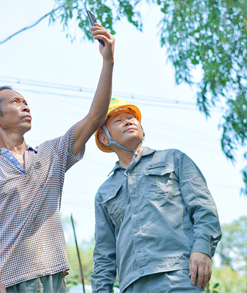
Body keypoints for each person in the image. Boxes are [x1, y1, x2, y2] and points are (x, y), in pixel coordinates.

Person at [0, 23, 115, 293]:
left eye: (26, 101)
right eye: (15, 102)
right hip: (5, 282)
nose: (25, 105)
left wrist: (108, 61)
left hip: (54, 279)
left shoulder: (52, 153)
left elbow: (95, 117)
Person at [91, 98, 222, 293]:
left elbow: (204, 208)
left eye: (132, 117)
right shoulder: (104, 192)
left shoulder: (174, 159)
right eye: (118, 120)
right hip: (132, 285)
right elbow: (104, 253)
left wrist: (202, 249)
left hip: (180, 277)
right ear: (104, 138)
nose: (129, 122)